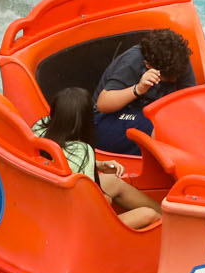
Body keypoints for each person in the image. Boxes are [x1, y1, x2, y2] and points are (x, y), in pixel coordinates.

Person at [36, 87, 160, 229]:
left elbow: (65, 160)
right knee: (149, 215)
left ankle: (165, 213)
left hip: (50, 207)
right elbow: (91, 204)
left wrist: (99, 165)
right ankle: (167, 220)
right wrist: (106, 198)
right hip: (80, 227)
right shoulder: (82, 151)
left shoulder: (40, 129)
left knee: (112, 181)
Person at [93, 30, 205, 156]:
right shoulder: (132, 63)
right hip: (108, 119)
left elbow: (189, 101)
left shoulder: (178, 61)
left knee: (191, 120)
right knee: (160, 126)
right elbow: (103, 104)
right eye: (167, 78)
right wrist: (138, 89)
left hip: (151, 113)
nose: (173, 80)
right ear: (148, 65)